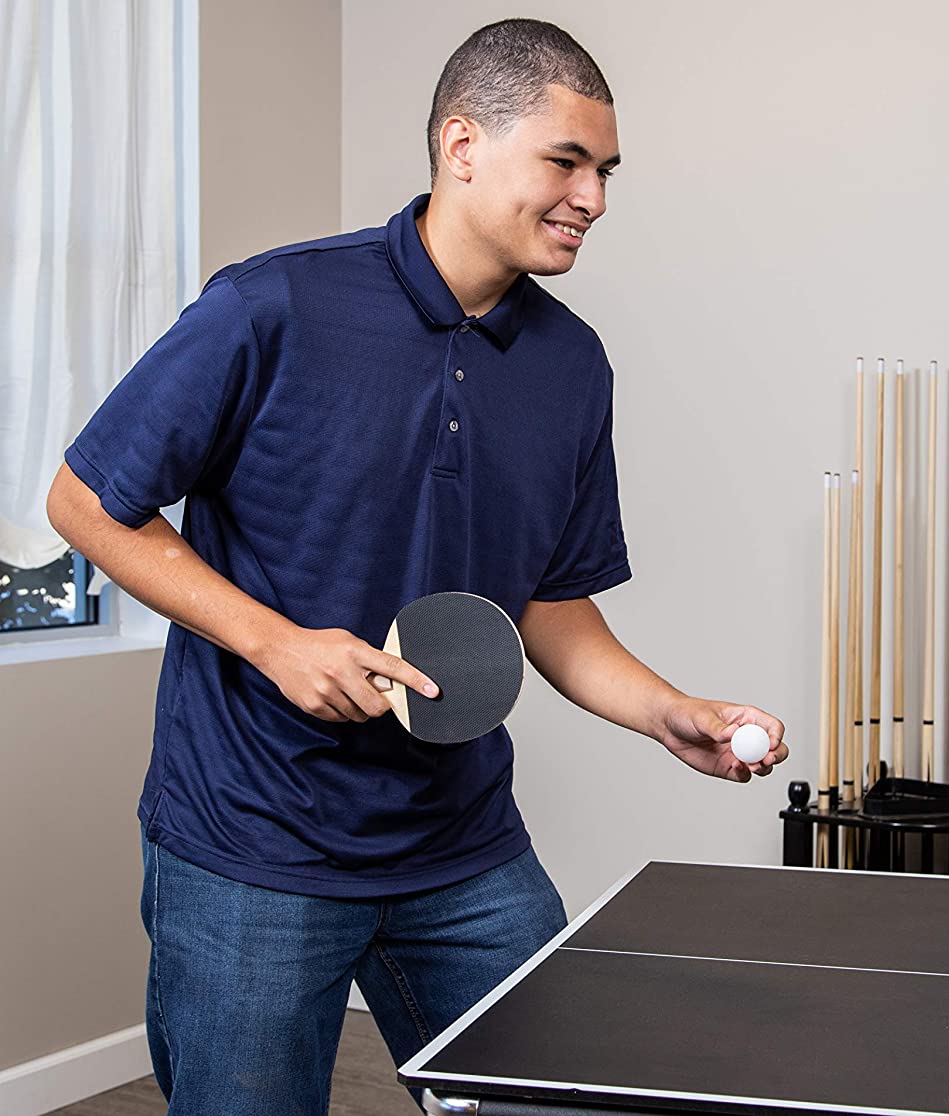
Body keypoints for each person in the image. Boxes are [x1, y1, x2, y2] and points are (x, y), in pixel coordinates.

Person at [46, 18, 788, 1114]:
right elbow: (84, 500)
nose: (593, 198)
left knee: (558, 1101)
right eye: (567, 161)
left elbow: (549, 604)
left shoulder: (574, 367)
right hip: (254, 842)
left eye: (606, 171)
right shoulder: (272, 305)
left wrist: (664, 710)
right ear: (462, 144)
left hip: (461, 847)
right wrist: (276, 645)